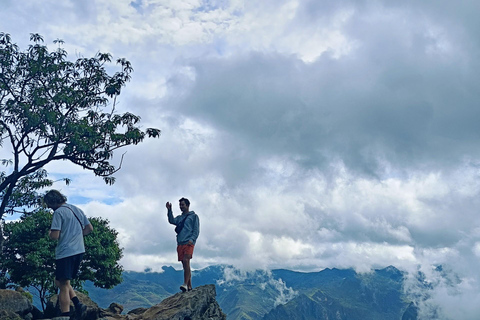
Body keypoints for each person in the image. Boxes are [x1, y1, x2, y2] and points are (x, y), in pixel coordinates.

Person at [44, 190, 93, 320]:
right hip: (79, 250)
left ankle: (65, 314)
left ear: (52, 202)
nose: (49, 207)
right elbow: (89, 229)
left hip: (65, 252)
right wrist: (75, 236)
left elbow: (55, 236)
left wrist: (49, 233)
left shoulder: (58, 213)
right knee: (60, 281)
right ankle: (78, 304)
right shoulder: (76, 209)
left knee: (64, 284)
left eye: (48, 204)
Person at [166, 197, 200, 292]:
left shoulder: (194, 217)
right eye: (180, 205)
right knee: (185, 265)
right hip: (180, 243)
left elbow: (196, 230)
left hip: (189, 243)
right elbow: (172, 221)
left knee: (186, 261)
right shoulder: (180, 218)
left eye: (183, 205)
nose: (181, 207)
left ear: (188, 205)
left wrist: (192, 239)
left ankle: (185, 284)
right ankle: (189, 287)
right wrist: (169, 210)